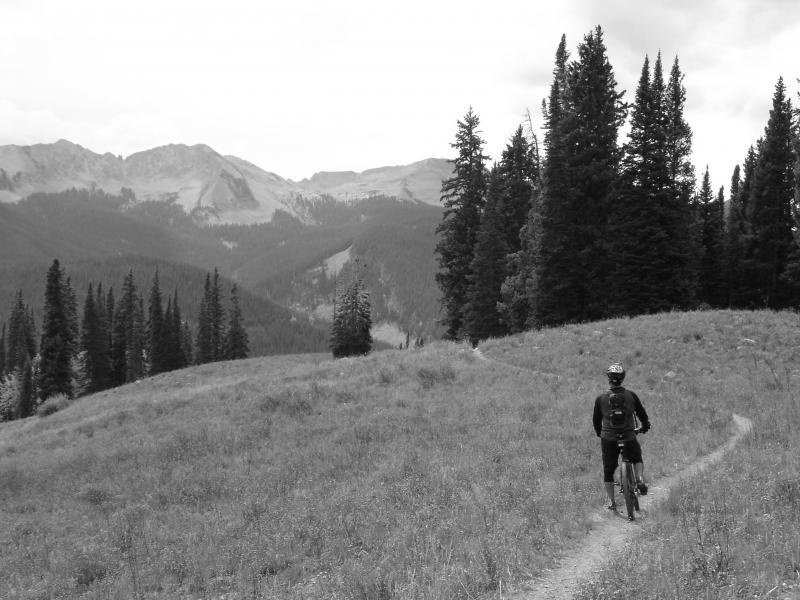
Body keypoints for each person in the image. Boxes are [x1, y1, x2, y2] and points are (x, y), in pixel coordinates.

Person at [593, 363, 651, 511]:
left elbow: (596, 421)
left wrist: (600, 433)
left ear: (609, 379)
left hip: (609, 439)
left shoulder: (600, 398)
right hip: (628, 436)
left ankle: (612, 502)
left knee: (608, 470)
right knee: (637, 458)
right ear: (622, 379)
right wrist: (645, 427)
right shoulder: (631, 395)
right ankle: (639, 480)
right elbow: (642, 415)